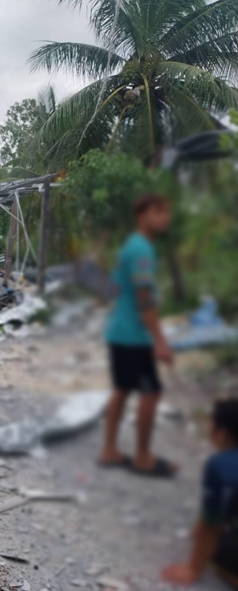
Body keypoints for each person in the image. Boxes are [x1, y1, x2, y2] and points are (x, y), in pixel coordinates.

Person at [98, 193, 176, 477]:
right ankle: (142, 456)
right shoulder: (141, 249)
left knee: (121, 390)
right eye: (159, 212)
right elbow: (144, 298)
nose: (165, 218)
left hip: (121, 331)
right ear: (142, 216)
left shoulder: (132, 246)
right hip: (134, 336)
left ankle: (109, 449)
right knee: (151, 393)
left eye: (166, 212)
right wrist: (160, 341)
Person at [162, 398, 238, 587]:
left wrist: (193, 568)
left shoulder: (220, 466)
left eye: (211, 423)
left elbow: (212, 525)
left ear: (222, 434)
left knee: (219, 549)